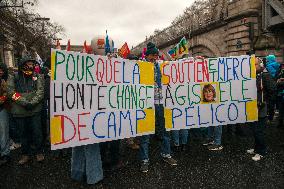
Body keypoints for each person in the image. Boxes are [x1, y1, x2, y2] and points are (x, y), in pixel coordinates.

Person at [139, 42, 177, 173]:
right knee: (145, 132)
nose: (155, 57)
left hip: (161, 102)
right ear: (147, 55)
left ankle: (166, 154)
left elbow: (178, 65)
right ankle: (144, 160)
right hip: (146, 103)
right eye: (152, 55)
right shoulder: (139, 65)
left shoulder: (160, 65)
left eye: (156, 55)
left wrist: (194, 60)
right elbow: (122, 67)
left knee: (165, 128)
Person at [70, 47, 103, 187]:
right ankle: (93, 177)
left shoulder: (74, 72)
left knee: (81, 143)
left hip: (85, 113)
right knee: (87, 145)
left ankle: (78, 174)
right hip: (81, 113)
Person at [7, 52, 45, 164]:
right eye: (28, 63)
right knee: (23, 134)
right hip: (20, 112)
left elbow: (40, 91)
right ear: (22, 64)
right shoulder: (13, 76)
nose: (31, 65)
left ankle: (39, 152)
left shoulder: (37, 76)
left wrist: (32, 103)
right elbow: (10, 92)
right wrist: (24, 102)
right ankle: (25, 154)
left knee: (37, 132)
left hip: (35, 110)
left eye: (32, 63)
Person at [246, 57, 275, 161]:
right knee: (254, 129)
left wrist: (266, 102)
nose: (253, 67)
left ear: (261, 65)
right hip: (253, 108)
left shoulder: (265, 75)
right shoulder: (254, 76)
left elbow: (272, 89)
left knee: (259, 131)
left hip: (261, 108)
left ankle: (261, 151)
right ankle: (256, 148)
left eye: (255, 65)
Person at [0, 63, 11, 166]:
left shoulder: (4, 81)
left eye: (2, 70)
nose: (0, 72)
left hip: (2, 109)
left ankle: (5, 154)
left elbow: (7, 94)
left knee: (4, 132)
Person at [265, 55, 279, 122]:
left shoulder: (269, 66)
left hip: (270, 87)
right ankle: (272, 116)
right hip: (276, 86)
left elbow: (269, 77)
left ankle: (270, 118)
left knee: (270, 103)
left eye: (267, 60)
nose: (266, 61)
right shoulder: (278, 65)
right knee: (273, 103)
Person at [276, 64, 284, 128]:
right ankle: (280, 122)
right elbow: (276, 80)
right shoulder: (279, 72)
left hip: (281, 93)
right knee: (280, 109)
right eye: (282, 66)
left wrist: (280, 81)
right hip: (280, 94)